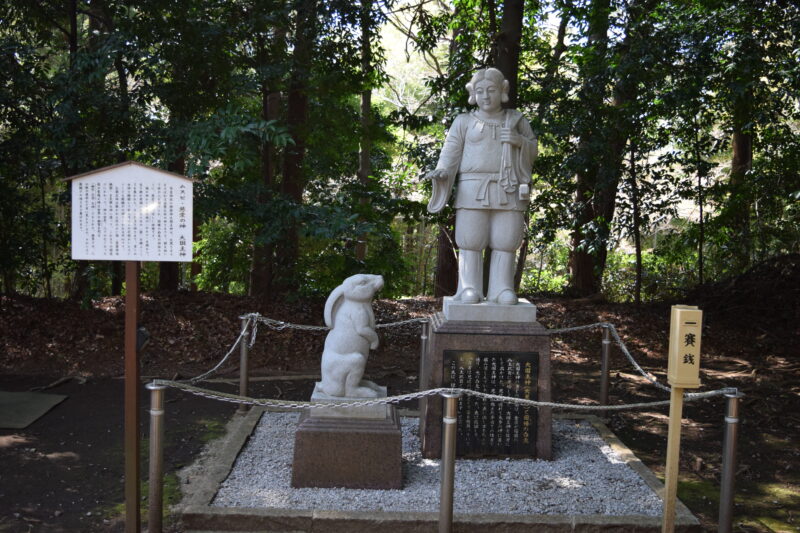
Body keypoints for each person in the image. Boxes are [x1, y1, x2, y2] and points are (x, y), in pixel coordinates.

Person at [424, 68, 537, 305]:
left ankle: (502, 289)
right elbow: (450, 152)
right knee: (470, 240)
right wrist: (442, 171)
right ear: (473, 94)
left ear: (502, 91)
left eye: (491, 90)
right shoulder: (463, 122)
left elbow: (533, 148)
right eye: (480, 91)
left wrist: (519, 142)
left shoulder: (516, 120)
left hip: (508, 185)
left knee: (506, 241)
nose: (486, 96)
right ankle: (468, 288)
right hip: (472, 188)